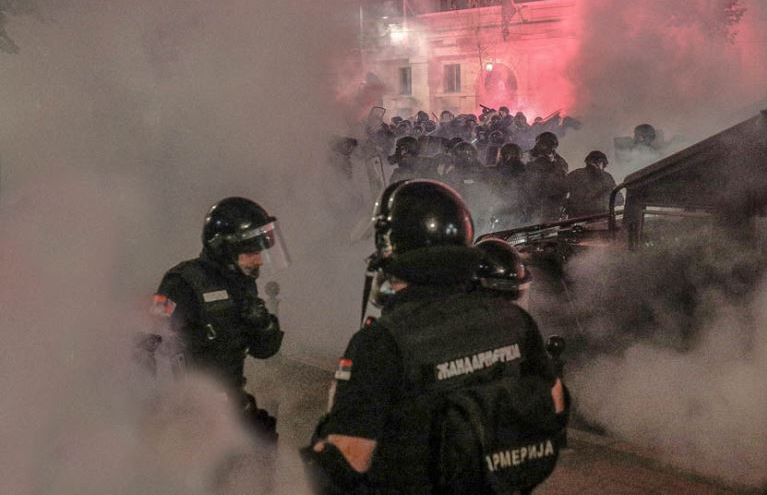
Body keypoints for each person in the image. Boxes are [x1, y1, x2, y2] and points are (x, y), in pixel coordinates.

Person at [301, 180, 567, 494]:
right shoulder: (515, 320)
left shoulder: (381, 341)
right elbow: (556, 405)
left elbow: (349, 461)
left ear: (390, 246)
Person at [152, 197, 287, 491]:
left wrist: (262, 322)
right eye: (251, 252)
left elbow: (266, 350)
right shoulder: (183, 283)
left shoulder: (243, 284)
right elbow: (151, 347)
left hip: (231, 404)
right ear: (224, 248)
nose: (259, 259)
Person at [564, 150, 621, 218]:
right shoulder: (607, 177)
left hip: (577, 219)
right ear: (600, 162)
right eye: (604, 165)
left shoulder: (574, 174)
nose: (603, 168)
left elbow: (560, 192)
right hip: (600, 218)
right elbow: (619, 198)